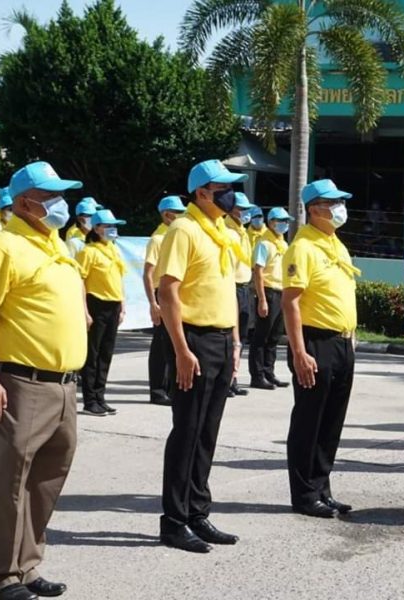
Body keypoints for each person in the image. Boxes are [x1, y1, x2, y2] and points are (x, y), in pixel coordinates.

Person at [0, 161, 86, 600]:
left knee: (48, 476)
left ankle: (27, 566)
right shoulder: (5, 247)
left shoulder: (54, 244)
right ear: (25, 202)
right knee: (10, 482)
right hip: (21, 382)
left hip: (63, 383)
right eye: (51, 196)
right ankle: (1, 576)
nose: (59, 203)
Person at [155, 159, 247, 553]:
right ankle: (174, 521)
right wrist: (181, 349)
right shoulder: (184, 229)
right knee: (187, 431)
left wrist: (235, 343)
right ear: (201, 192)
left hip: (221, 339)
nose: (230, 194)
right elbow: (168, 291)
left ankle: (197, 512)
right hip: (194, 338)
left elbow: (226, 291)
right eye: (222, 188)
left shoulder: (220, 231)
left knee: (207, 433)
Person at [282, 179, 358, 518]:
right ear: (314, 209)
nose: (341, 208)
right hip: (315, 342)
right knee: (309, 421)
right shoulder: (303, 247)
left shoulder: (335, 244)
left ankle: (322, 488)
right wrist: (299, 352)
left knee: (331, 422)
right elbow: (291, 302)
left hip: (342, 342)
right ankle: (304, 495)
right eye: (334, 202)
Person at [76, 209, 127, 417]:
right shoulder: (88, 252)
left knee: (106, 353)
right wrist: (85, 311)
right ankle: (90, 400)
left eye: (114, 226)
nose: (112, 229)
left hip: (113, 305)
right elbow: (79, 281)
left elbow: (119, 279)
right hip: (96, 304)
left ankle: (100, 396)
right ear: (96, 228)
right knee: (93, 354)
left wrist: (122, 305)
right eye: (108, 226)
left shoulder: (113, 250)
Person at [143, 196, 186, 406]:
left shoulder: (175, 235)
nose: (181, 216)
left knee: (172, 342)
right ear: (167, 214)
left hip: (176, 291)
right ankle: (157, 390)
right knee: (161, 344)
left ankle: (169, 387)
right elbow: (148, 273)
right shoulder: (158, 239)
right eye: (178, 212)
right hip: (161, 292)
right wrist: (153, 303)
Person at [250, 206, 294, 389]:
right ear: (271, 222)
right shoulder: (264, 243)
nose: (285, 224)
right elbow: (258, 272)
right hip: (268, 291)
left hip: (281, 291)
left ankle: (269, 372)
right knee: (262, 336)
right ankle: (257, 375)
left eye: (286, 221)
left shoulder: (282, 244)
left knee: (275, 336)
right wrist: (262, 299)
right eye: (282, 221)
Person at [224, 192, 257, 397]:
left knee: (243, 335)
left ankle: (233, 378)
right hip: (232, 287)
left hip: (244, 287)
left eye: (247, 209)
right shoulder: (228, 232)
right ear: (230, 209)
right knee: (231, 336)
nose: (245, 213)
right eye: (241, 209)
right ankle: (226, 379)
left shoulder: (242, 232)